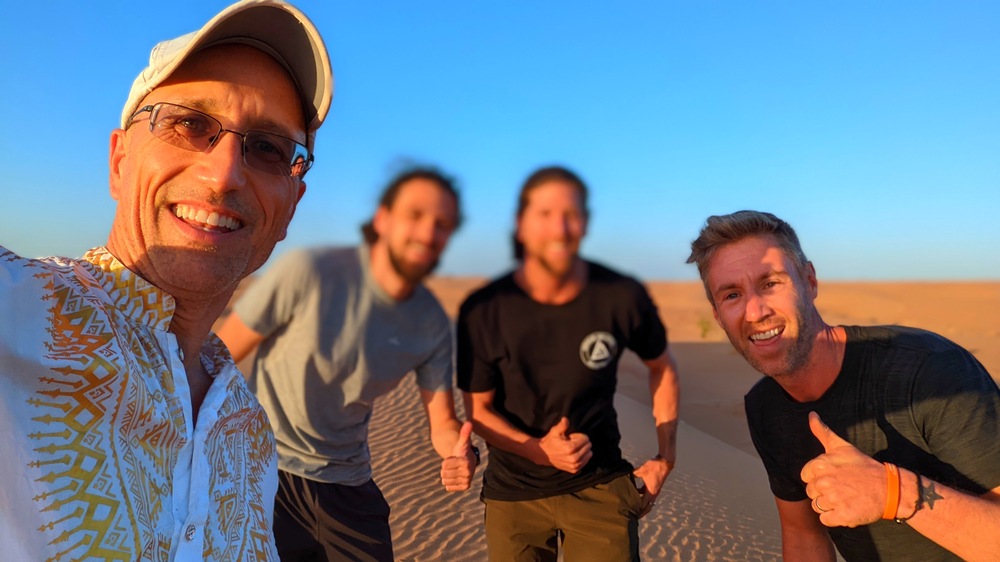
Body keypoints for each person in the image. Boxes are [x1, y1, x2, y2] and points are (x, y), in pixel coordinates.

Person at [0, 1, 333, 560]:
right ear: (118, 159)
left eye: (269, 149)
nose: (224, 173)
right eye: (189, 123)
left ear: (291, 206)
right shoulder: (17, 313)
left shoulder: (247, 431)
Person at [686, 210, 1000, 562]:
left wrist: (894, 493)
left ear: (809, 281)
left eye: (770, 284)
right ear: (717, 315)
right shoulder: (766, 407)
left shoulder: (930, 372)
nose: (755, 311)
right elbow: (804, 536)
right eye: (731, 295)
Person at [216, 166, 478, 561]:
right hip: (266, 478)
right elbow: (216, 357)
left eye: (442, 224)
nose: (428, 233)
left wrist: (459, 455)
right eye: (416, 216)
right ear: (383, 220)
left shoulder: (431, 323)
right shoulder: (308, 273)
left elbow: (442, 425)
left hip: (349, 487)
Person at [456, 166, 680, 561]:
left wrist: (666, 458)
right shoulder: (485, 311)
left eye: (571, 214)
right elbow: (478, 409)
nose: (559, 228)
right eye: (544, 214)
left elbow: (661, 366)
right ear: (522, 225)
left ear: (584, 223)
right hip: (514, 498)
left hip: (601, 488)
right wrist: (539, 450)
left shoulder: (620, 297)